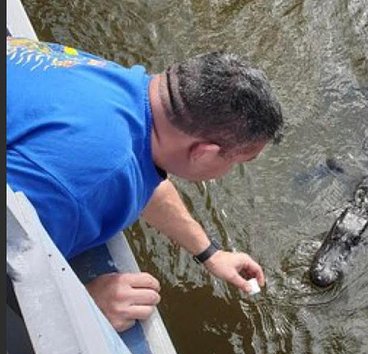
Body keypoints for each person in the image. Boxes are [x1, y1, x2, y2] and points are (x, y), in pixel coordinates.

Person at [6, 36, 284, 332]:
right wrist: (82, 306)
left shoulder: (115, 82)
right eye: (239, 162)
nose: (230, 171)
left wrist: (210, 253)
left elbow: (147, 181)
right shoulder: (83, 184)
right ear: (204, 154)